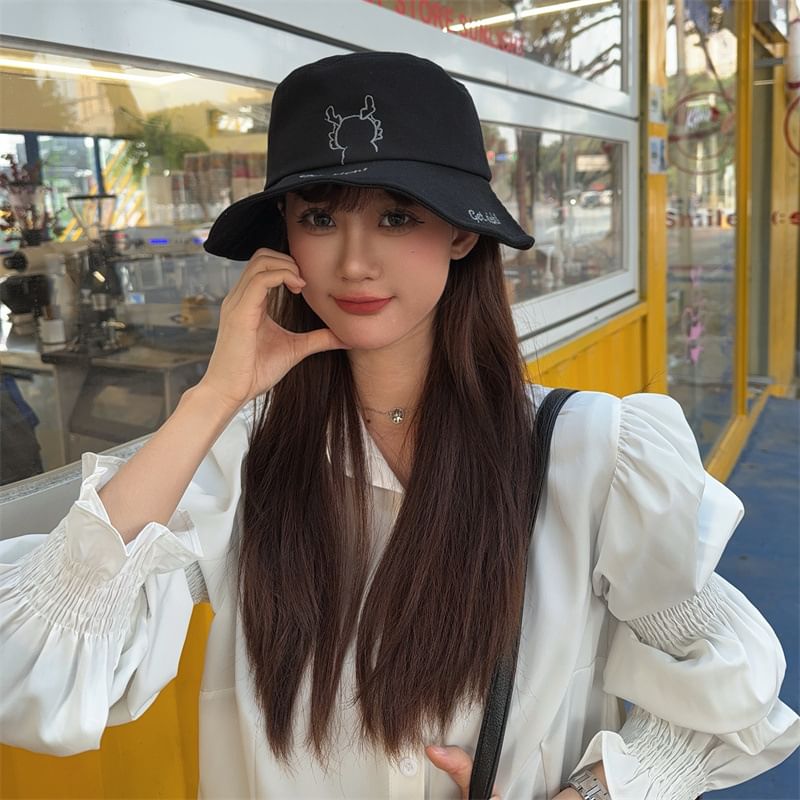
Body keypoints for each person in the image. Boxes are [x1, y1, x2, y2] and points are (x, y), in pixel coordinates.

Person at [0, 52, 798, 800]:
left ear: (461, 231)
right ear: (284, 236)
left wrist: (590, 792)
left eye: (395, 215)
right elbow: (33, 670)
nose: (353, 262)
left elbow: (734, 685)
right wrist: (214, 396)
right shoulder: (242, 454)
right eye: (320, 217)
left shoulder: (587, 453)